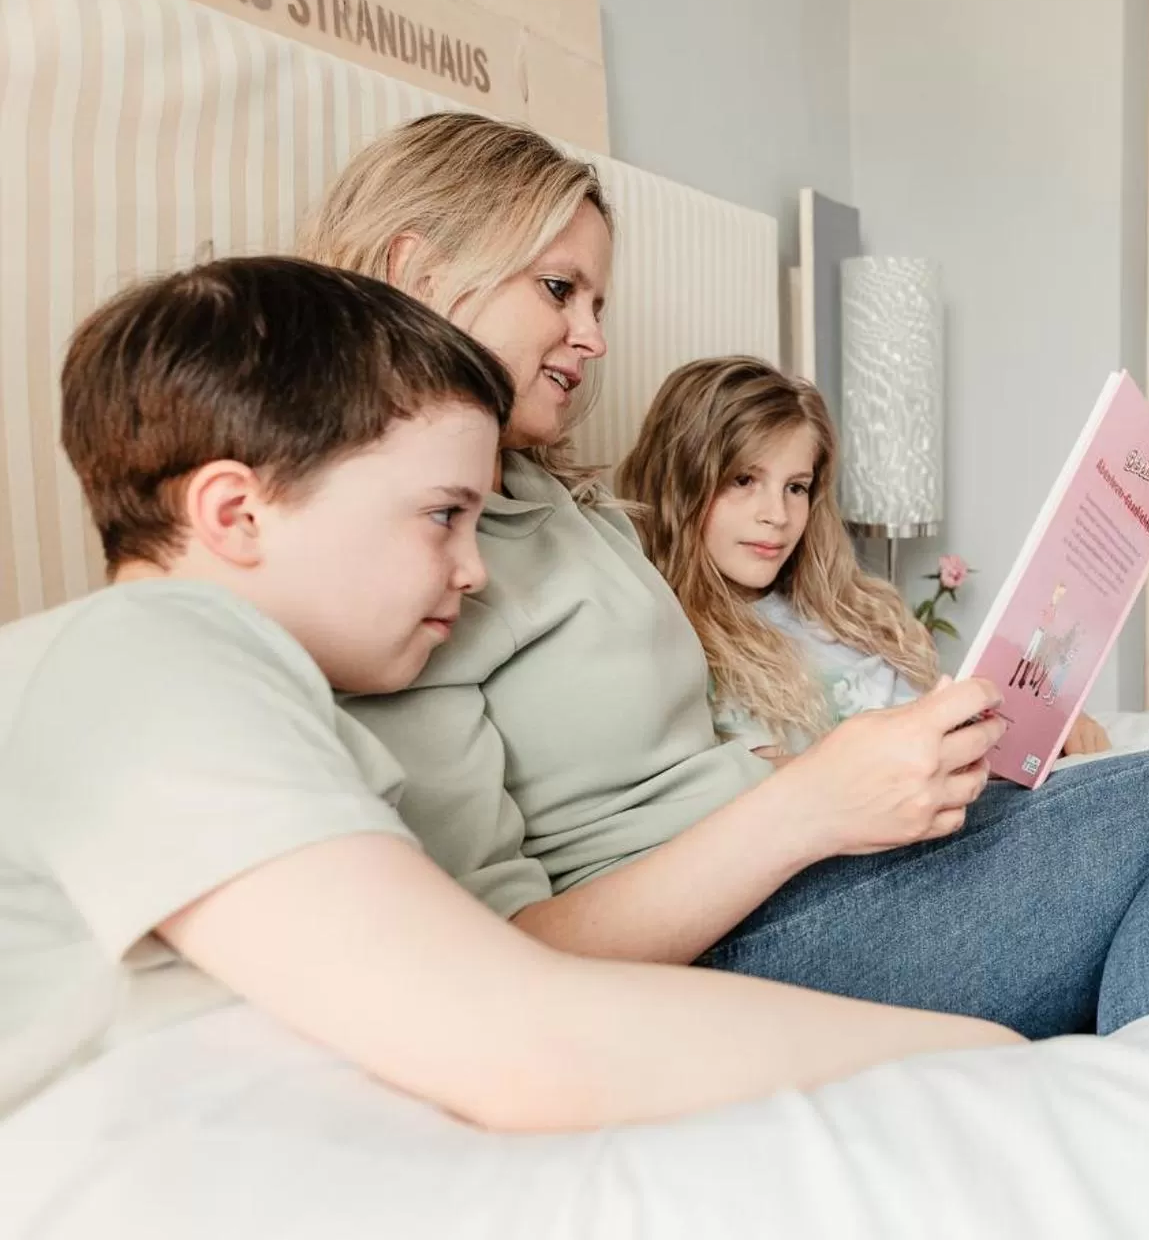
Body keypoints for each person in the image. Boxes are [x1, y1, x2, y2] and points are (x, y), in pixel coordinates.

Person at [307, 112, 1149, 1035]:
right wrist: (807, 802)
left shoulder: (561, 506)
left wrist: (848, 764)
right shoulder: (402, 542)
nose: (594, 335)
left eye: (598, 298)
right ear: (420, 271)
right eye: (557, 289)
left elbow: (689, 743)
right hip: (714, 935)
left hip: (789, 865)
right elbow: (499, 963)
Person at [0, 257, 1017, 1131]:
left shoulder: (269, 699)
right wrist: (988, 1054)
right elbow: (521, 1030)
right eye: (442, 515)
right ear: (235, 510)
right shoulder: (143, 656)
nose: (474, 567)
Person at [610, 354, 1112, 761]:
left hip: (961, 805)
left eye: (796, 487)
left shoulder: (842, 612)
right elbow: (776, 801)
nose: (778, 515)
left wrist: (1044, 731)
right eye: (744, 480)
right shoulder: (684, 651)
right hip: (882, 859)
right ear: (680, 485)